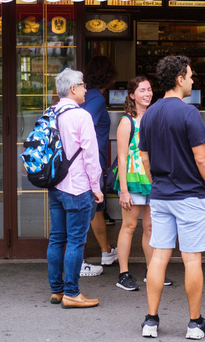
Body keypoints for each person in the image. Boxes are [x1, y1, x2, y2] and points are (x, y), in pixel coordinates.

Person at [138, 55, 205, 339]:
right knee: (191, 261)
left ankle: (151, 321)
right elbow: (202, 159)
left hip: (161, 196)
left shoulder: (149, 113)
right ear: (179, 79)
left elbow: (144, 157)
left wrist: (157, 183)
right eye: (189, 75)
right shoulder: (189, 113)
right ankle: (194, 323)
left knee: (159, 259)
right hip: (189, 197)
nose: (192, 80)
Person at [46, 68, 103, 309]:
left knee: (57, 238)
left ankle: (56, 291)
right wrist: (96, 186)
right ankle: (72, 293)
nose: (85, 89)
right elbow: (91, 155)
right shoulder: (81, 116)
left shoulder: (50, 112)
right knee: (76, 241)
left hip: (55, 185)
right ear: (72, 89)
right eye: (82, 85)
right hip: (77, 186)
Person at [115, 76, 156, 292]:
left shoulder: (154, 117)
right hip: (132, 179)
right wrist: (123, 191)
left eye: (149, 89)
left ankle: (153, 272)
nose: (147, 93)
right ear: (132, 95)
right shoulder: (126, 122)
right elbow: (121, 158)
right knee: (129, 226)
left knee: (150, 226)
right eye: (142, 90)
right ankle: (123, 274)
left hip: (152, 179)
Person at [79, 55, 118, 277]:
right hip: (89, 164)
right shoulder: (96, 99)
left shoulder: (89, 96)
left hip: (91, 163)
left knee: (96, 210)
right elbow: (85, 126)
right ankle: (79, 260)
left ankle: (106, 251)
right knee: (87, 210)